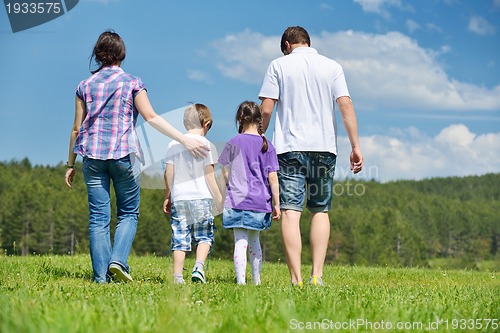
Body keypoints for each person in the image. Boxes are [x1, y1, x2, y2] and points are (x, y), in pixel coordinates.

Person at [64, 30, 209, 284]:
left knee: (98, 217)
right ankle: (117, 262)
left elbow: (77, 128)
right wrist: (184, 138)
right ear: (121, 55)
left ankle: (101, 277)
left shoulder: (84, 86)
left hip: (92, 157)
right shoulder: (132, 82)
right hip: (123, 155)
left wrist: (70, 163)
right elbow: (151, 117)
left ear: (98, 55)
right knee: (128, 213)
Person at [258, 26, 364, 287]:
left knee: (291, 212)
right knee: (320, 210)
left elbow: (267, 108)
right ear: (307, 42)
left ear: (286, 44)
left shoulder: (278, 66)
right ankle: (317, 276)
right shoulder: (332, 66)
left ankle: (296, 280)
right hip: (324, 148)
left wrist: (258, 137)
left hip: (290, 147)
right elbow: (345, 105)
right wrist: (355, 145)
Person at [218, 101, 280, 285]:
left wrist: (221, 197)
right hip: (260, 202)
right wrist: (277, 203)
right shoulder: (267, 144)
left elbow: (224, 173)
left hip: (236, 201)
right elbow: (273, 178)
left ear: (240, 119)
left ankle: (241, 282)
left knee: (240, 241)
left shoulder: (233, 142)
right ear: (259, 120)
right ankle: (257, 280)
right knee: (255, 241)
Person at [162, 103, 223, 285]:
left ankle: (177, 276)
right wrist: (219, 198)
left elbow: (168, 173)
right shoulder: (208, 145)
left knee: (180, 237)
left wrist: (167, 195)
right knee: (204, 236)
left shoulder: (173, 144)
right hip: (202, 197)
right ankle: (198, 267)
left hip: (180, 197)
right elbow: (209, 175)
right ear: (207, 123)